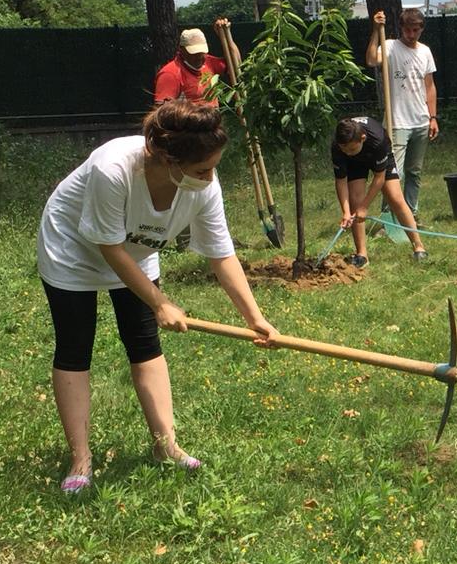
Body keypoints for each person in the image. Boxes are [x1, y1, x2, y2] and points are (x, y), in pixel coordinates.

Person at [36, 99, 277, 494]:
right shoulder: (113, 169)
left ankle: (166, 446)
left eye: (213, 166)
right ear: (168, 159)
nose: (210, 176)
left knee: (144, 342)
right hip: (74, 246)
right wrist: (161, 302)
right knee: (75, 344)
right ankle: (80, 458)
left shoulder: (202, 184)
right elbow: (109, 247)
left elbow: (222, 254)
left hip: (136, 249)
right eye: (203, 169)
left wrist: (255, 318)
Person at [365, 8, 439, 216]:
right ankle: (389, 218)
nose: (411, 34)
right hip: (397, 122)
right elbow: (371, 60)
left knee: (414, 172)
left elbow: (430, 86)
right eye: (407, 30)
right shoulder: (389, 46)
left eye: (415, 30)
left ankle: (411, 215)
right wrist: (375, 30)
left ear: (421, 30)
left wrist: (432, 117)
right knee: (392, 174)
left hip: (421, 121)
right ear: (401, 29)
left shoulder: (425, 51)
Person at [331, 115, 428, 265]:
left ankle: (419, 247)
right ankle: (362, 255)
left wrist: (365, 207)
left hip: (377, 157)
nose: (347, 152)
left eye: (351, 149)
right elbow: (341, 181)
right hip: (354, 165)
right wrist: (346, 212)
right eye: (344, 149)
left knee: (395, 198)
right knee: (355, 201)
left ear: (362, 138)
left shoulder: (378, 140)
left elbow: (379, 178)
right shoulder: (339, 147)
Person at [153, 27, 229, 103]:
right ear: (181, 50)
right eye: (194, 53)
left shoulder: (209, 62)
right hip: (190, 115)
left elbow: (234, 65)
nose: (199, 57)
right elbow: (162, 110)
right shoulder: (170, 74)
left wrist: (226, 35)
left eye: (201, 52)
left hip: (213, 114)